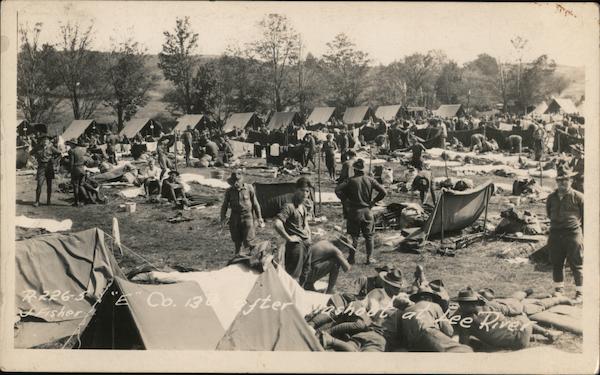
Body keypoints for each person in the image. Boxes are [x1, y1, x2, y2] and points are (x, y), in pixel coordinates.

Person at [335, 159, 387, 265]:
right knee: (369, 236)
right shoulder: (370, 179)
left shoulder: (350, 180)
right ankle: (369, 258)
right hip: (367, 211)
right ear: (364, 169)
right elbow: (383, 192)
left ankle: (352, 258)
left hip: (354, 211)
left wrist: (345, 199)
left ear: (354, 169)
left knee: (354, 236)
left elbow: (337, 190)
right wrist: (373, 201)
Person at [546, 164, 584, 303]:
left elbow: (586, 218)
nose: (562, 182)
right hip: (555, 233)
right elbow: (549, 213)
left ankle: (580, 293)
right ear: (556, 181)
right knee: (557, 263)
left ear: (571, 181)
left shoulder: (579, 197)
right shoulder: (551, 197)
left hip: (572, 234)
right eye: (559, 180)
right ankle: (559, 291)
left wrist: (581, 235)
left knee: (576, 263)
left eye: (565, 180)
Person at [455, 287, 533, 351]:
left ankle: (525, 293)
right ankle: (525, 292)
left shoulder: (465, 322)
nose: (460, 306)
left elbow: (463, 345)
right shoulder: (490, 306)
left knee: (513, 301)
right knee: (513, 301)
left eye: (461, 303)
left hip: (518, 344)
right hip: (525, 332)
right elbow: (513, 311)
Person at [401, 286, 473, 352]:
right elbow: (449, 331)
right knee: (465, 350)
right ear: (429, 298)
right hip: (427, 334)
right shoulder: (434, 305)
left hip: (412, 344)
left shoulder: (406, 310)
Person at [274, 177, 314, 285]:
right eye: (302, 190)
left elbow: (305, 223)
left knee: (305, 273)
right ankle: (290, 298)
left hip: (307, 244)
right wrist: (289, 238)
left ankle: (299, 295)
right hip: (296, 246)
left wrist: (309, 235)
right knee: (293, 276)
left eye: (307, 191)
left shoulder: (303, 207)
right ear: (296, 190)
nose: (305, 193)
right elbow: (277, 223)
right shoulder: (289, 206)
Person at [220, 170, 264, 255]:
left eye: (237, 181)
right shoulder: (229, 191)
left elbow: (255, 203)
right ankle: (237, 256)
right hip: (235, 217)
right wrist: (222, 218)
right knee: (237, 240)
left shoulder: (249, 188)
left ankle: (253, 256)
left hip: (248, 217)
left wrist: (260, 217)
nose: (236, 184)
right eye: (234, 182)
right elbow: (224, 205)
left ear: (241, 181)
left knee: (249, 240)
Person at [30, 135, 61, 207]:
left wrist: (54, 161)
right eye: (43, 141)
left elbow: (59, 154)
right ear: (41, 141)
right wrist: (33, 161)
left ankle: (48, 201)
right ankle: (37, 201)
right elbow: (30, 153)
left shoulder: (51, 148)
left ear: (49, 142)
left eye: (46, 141)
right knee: (39, 184)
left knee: (49, 185)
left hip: (49, 167)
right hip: (41, 167)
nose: (45, 142)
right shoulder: (37, 148)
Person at [69, 140, 89, 207]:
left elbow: (71, 162)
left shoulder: (71, 151)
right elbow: (85, 159)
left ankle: (76, 202)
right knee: (81, 185)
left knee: (75, 186)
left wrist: (70, 171)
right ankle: (86, 198)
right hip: (82, 168)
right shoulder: (82, 150)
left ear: (72, 144)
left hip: (76, 168)